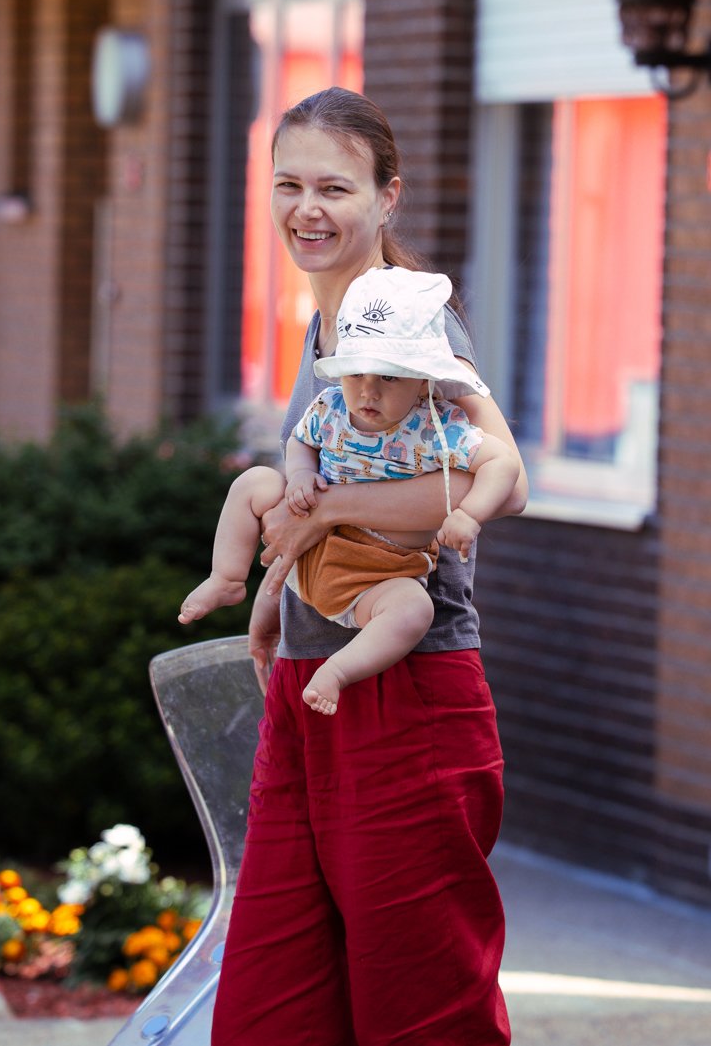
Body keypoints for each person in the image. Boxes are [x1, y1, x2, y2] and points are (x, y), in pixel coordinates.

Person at [208, 86, 524, 1046]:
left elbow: (501, 482)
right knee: (271, 1011)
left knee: (422, 1018)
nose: (307, 207)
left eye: (334, 187)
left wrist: (323, 513)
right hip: (311, 686)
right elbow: (319, 510)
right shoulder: (324, 328)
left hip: (406, 693)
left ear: (388, 198)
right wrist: (273, 596)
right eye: (288, 184)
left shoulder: (413, 326)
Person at [178, 268, 521, 716]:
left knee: (414, 610)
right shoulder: (331, 406)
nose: (368, 391)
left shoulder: (435, 427)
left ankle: (339, 672)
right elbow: (302, 441)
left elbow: (504, 464)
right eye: (355, 373)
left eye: (390, 378)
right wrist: (300, 476)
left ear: (423, 380)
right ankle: (226, 578)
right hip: (311, 556)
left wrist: (469, 514)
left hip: (375, 577)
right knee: (255, 482)